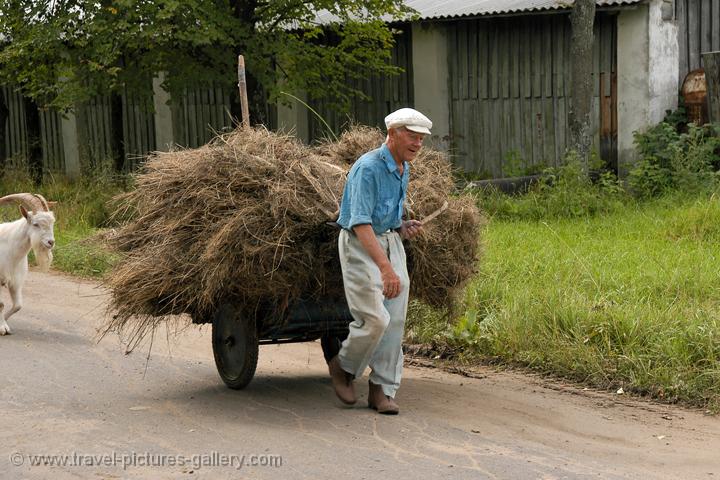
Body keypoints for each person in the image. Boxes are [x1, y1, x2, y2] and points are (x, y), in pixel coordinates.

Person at [328, 107, 431, 415]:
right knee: (376, 319)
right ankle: (343, 367)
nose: (417, 144)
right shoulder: (368, 168)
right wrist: (385, 269)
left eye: (421, 139)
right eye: (412, 137)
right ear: (392, 134)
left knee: (395, 320)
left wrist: (401, 226)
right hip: (361, 245)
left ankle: (381, 389)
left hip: (389, 241)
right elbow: (360, 223)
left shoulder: (403, 168)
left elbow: (387, 213)